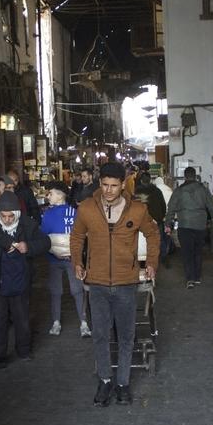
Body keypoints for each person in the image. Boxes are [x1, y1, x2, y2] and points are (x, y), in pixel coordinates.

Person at [71, 162, 160, 406]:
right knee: (100, 334)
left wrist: (151, 263)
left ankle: (122, 383)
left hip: (125, 282)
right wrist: (77, 262)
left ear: (123, 185)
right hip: (97, 282)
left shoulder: (138, 210)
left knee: (126, 335)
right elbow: (77, 235)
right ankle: (105, 380)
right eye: (105, 185)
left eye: (114, 186)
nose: (109, 190)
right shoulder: (87, 208)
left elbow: (153, 234)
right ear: (100, 184)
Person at [0, 193, 50, 366]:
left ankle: (24, 350)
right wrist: (8, 242)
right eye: (4, 216)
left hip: (19, 279)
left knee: (22, 317)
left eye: (11, 216)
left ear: (17, 213)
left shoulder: (28, 224)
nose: (8, 219)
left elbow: (45, 242)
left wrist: (28, 246)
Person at [40, 182, 88, 337]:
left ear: (60, 195)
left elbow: (44, 237)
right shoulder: (72, 212)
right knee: (68, 290)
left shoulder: (68, 213)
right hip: (65, 259)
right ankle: (77, 323)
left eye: (51, 193)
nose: (49, 196)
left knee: (70, 290)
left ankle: (78, 322)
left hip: (63, 259)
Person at [164, 166, 213, 288]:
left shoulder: (178, 191)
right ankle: (197, 277)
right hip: (200, 225)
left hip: (184, 225)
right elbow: (212, 206)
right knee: (198, 251)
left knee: (187, 252)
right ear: (195, 176)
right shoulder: (203, 189)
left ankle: (190, 279)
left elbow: (171, 209)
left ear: (185, 176)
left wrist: (168, 224)